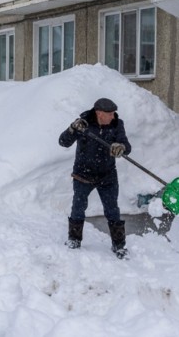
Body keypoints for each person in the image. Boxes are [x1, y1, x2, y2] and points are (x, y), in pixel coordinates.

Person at [58, 98, 131, 259]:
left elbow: (127, 146)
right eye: (110, 113)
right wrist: (72, 129)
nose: (113, 116)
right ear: (99, 113)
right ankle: (74, 240)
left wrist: (121, 147)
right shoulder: (83, 124)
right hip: (83, 175)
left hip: (107, 175)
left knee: (112, 209)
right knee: (78, 207)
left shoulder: (117, 124)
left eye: (113, 113)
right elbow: (63, 142)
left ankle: (119, 245)